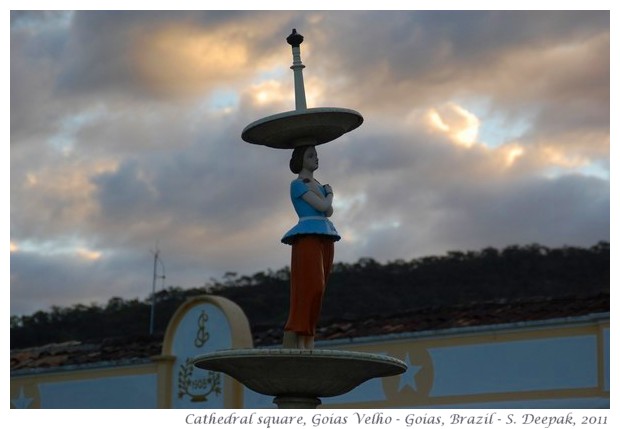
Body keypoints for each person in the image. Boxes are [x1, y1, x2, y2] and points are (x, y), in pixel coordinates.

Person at [281, 145, 340, 349]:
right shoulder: (297, 184)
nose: (316, 158)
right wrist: (330, 193)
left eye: (316, 154)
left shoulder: (318, 184)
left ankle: (309, 339)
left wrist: (327, 194)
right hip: (307, 233)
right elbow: (324, 206)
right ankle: (299, 334)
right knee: (311, 286)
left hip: (325, 233)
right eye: (310, 155)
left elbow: (328, 212)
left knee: (320, 289)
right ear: (301, 159)